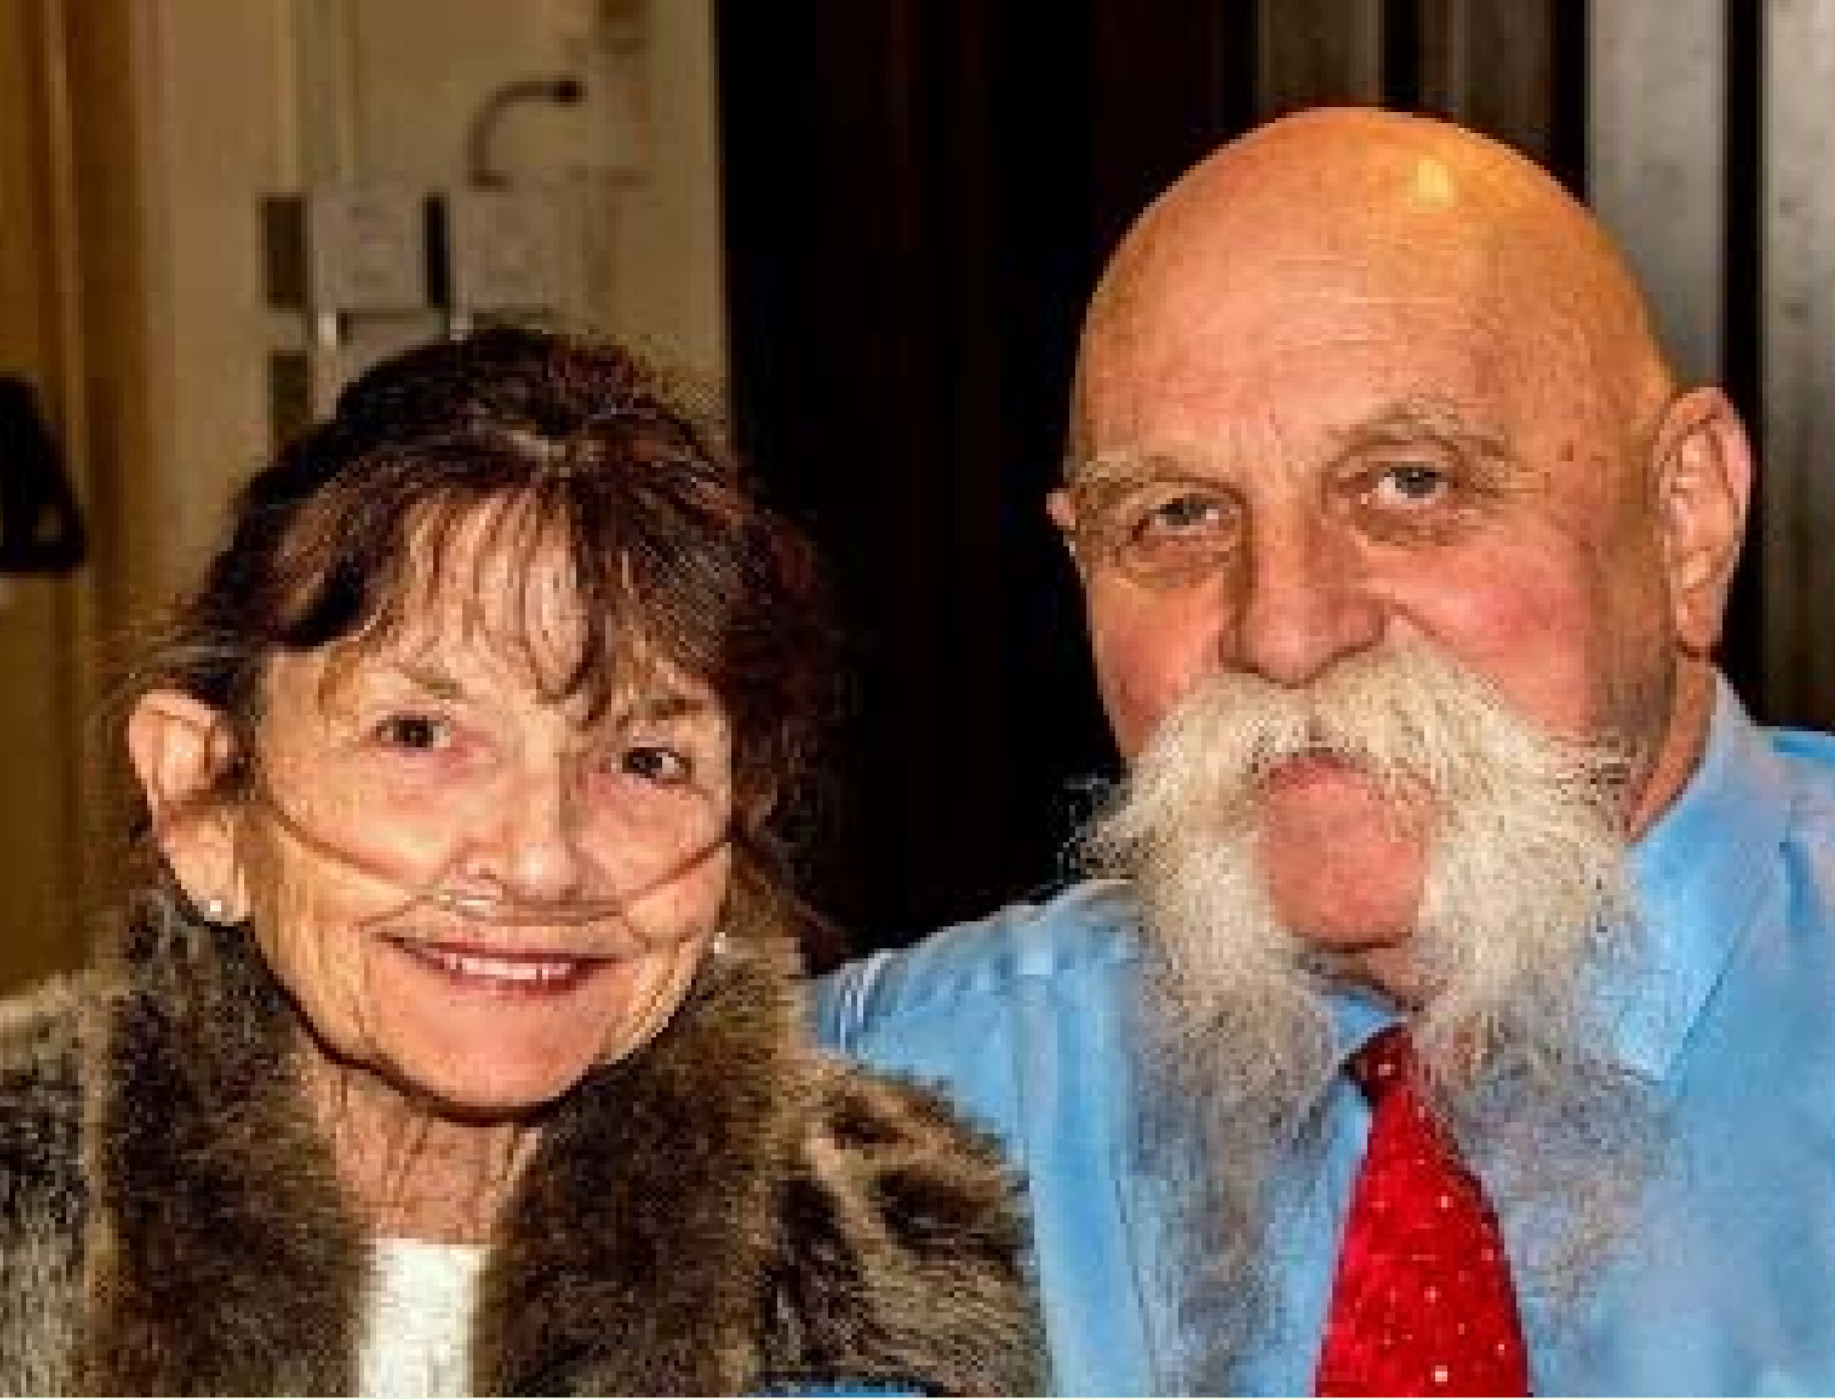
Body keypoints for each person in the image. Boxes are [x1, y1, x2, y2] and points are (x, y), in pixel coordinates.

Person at [816, 105, 1835, 1394]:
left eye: (1408, 484)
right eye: (1177, 516)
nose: (1285, 632)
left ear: (1685, 518)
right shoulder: (895, 1117)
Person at [0, 326, 1041, 1395]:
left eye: (644, 760)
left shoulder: (902, 1281)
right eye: (419, 735)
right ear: (203, 794)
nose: (541, 860)